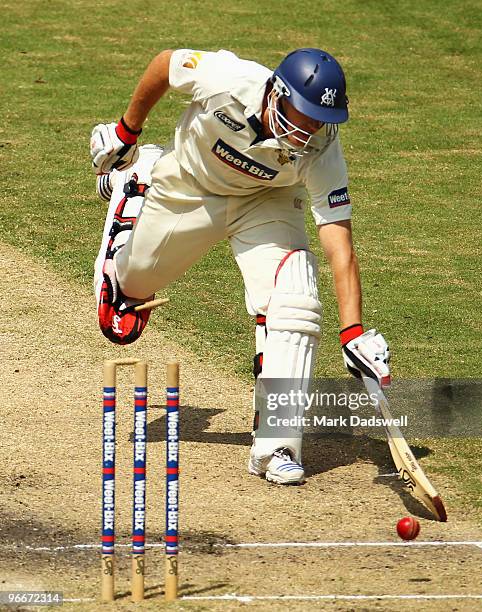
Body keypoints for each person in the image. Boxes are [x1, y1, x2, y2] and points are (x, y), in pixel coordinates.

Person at [90, 48, 390, 485]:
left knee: (296, 303)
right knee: (126, 299)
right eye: (301, 115)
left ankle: (277, 446)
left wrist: (353, 332)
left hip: (266, 204)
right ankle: (136, 183)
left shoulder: (321, 147)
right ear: (277, 94)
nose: (307, 132)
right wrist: (126, 131)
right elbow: (166, 63)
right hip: (190, 186)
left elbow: (338, 238)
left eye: (318, 121)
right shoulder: (228, 80)